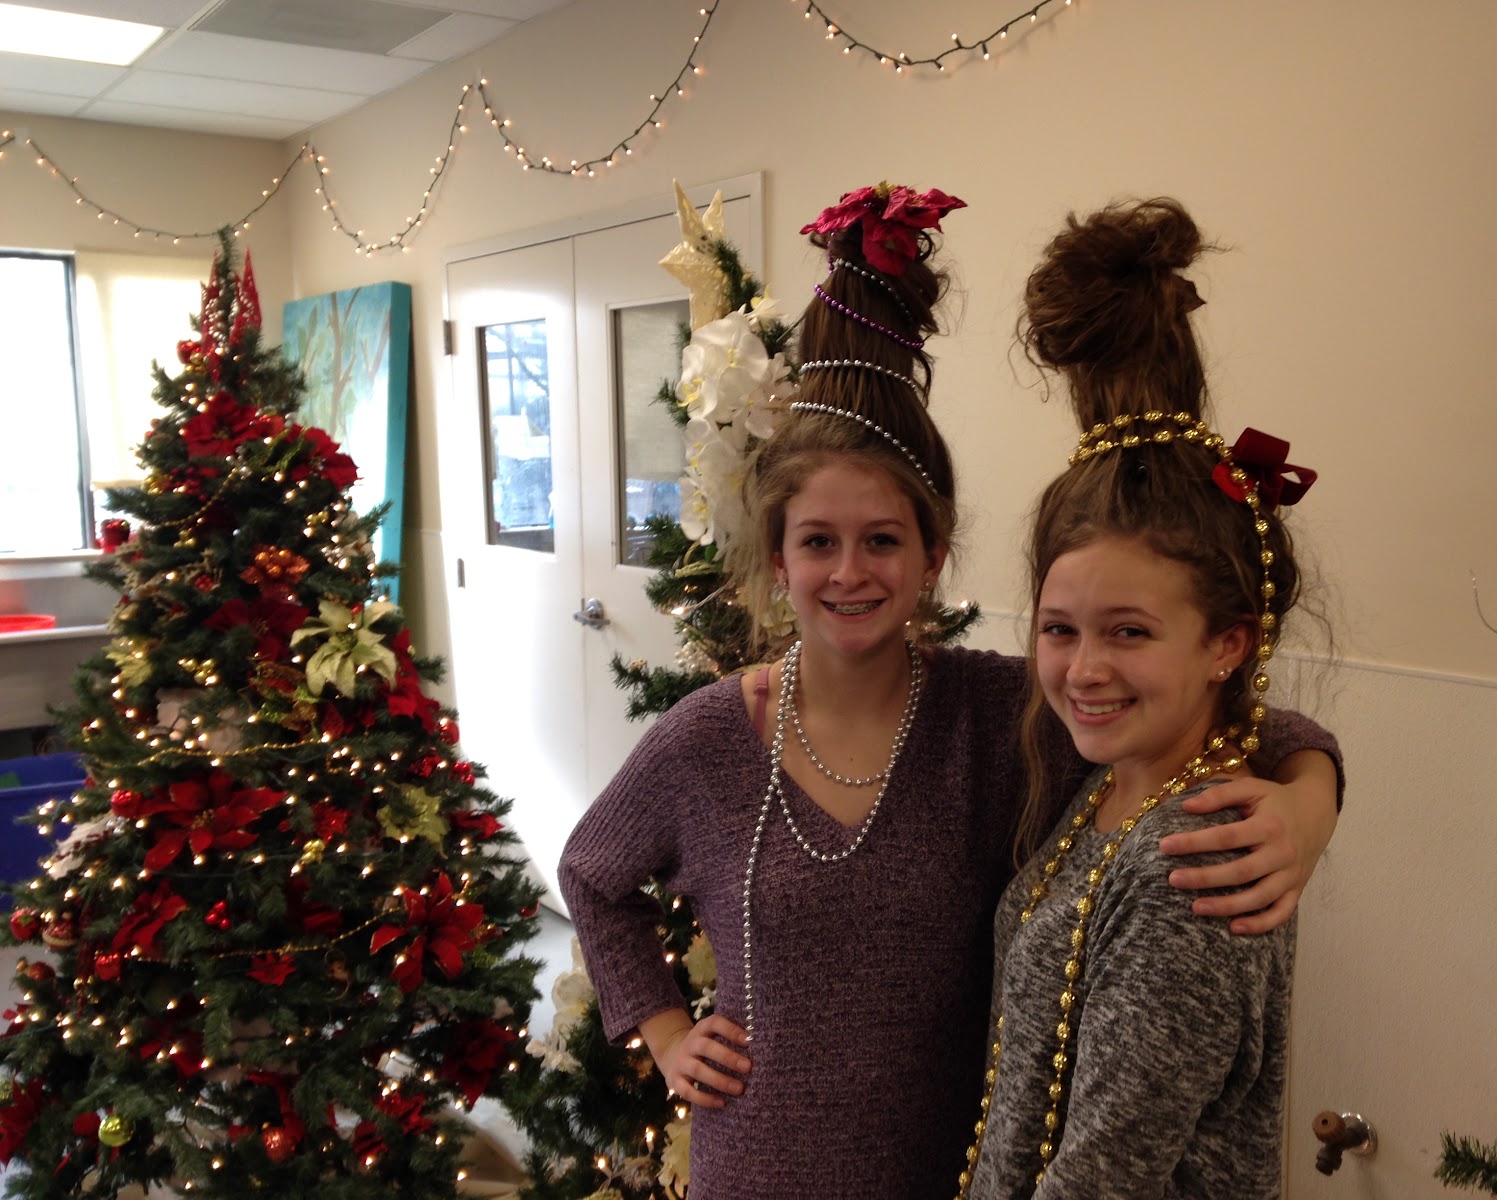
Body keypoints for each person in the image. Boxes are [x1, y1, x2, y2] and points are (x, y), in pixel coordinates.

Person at [557, 184, 1339, 1200]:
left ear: (932, 556)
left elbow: (1221, 716)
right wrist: (663, 1030)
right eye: (817, 542)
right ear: (779, 560)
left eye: (883, 540)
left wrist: (1309, 798)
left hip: (953, 1172)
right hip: (758, 1169)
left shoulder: (1005, 717)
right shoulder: (708, 739)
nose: (850, 572)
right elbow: (592, 875)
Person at [960, 197, 1319, 1200]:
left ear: (1226, 644)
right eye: (1058, 629)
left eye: (1128, 632)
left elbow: (1100, 1178)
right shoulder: (1116, 785)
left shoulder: (1190, 867)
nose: (1083, 670)